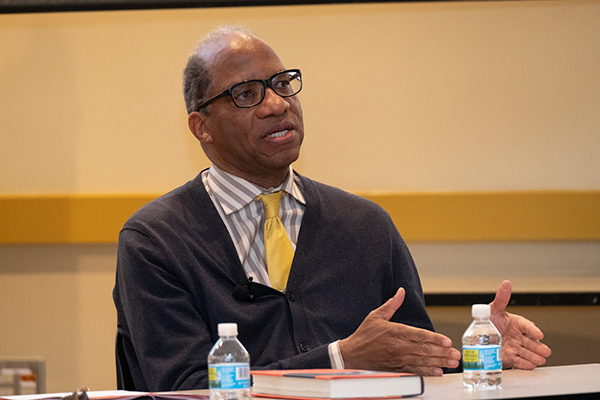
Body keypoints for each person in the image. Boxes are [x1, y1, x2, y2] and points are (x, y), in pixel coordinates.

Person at [113, 25, 551, 392]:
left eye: (282, 84)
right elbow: (181, 388)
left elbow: (417, 363)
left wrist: (484, 355)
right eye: (247, 94)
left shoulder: (366, 226)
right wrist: (339, 358)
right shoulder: (156, 241)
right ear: (201, 126)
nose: (277, 104)